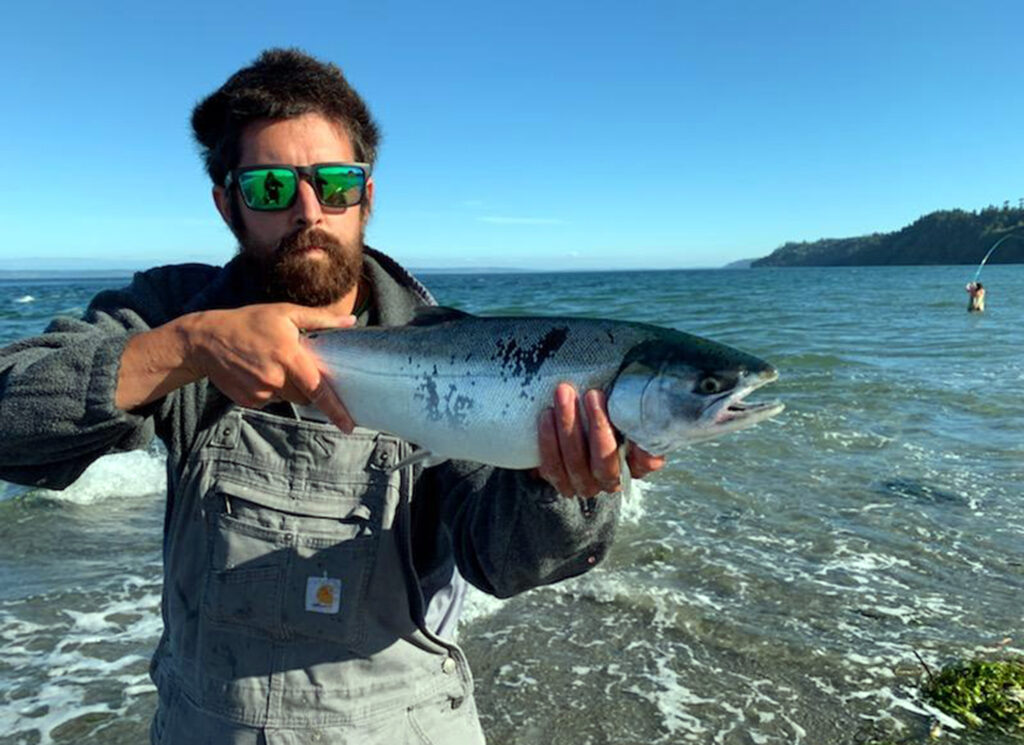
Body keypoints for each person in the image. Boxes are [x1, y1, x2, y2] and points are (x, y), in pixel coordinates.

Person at [0, 49, 665, 744]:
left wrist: (557, 488)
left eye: (336, 184)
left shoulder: (460, 353)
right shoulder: (172, 310)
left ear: (368, 196)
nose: (308, 211)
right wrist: (186, 349)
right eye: (269, 189)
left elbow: (500, 561)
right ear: (228, 204)